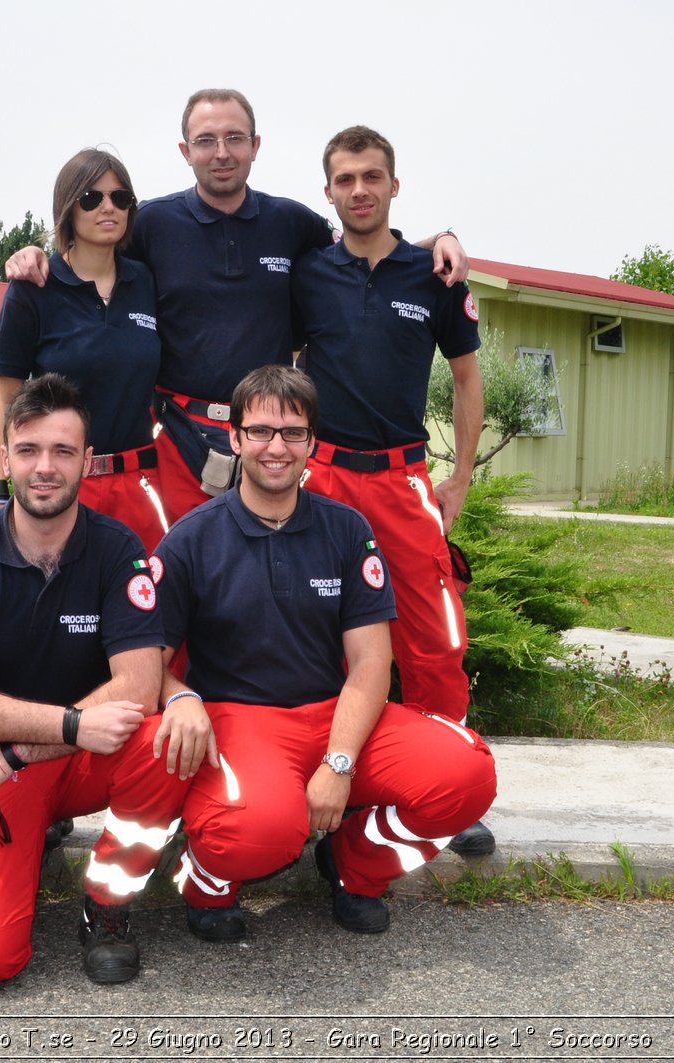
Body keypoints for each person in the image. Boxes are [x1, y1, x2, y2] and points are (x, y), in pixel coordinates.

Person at [7, 89, 469, 523]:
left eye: (234, 138)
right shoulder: (149, 222)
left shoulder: (290, 221)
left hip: (267, 441)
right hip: (175, 443)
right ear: (186, 152)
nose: (221, 152)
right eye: (205, 140)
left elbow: (363, 245)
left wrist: (438, 240)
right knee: (173, 573)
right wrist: (36, 255)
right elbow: (89, 253)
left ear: (255, 145)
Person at [150, 365, 497, 942]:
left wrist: (339, 764)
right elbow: (147, 662)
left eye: (292, 433)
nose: (276, 447)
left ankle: (353, 865)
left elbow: (369, 665)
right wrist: (180, 696)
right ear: (234, 438)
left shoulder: (346, 529)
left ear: (313, 443)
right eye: (260, 432)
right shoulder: (191, 537)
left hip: (338, 714)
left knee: (466, 777)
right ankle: (207, 878)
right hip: (243, 721)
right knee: (261, 829)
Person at [0, 374, 205, 990]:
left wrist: (19, 751)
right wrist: (63, 727)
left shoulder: (117, 548)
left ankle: (106, 904)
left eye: (63, 451)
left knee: (166, 742)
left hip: (62, 759)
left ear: (89, 462)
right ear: (5, 457)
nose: (44, 467)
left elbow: (138, 681)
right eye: (28, 450)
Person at [292, 125, 494, 856]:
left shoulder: (433, 274)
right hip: (326, 481)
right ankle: (328, 784)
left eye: (372, 176)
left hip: (405, 479)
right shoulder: (306, 272)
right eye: (345, 180)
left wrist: (460, 477)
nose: (359, 190)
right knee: (319, 640)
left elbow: (468, 380)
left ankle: (451, 781)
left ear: (394, 185)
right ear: (329, 192)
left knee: (435, 640)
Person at [0, 149, 167, 552]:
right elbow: (6, 396)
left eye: (120, 198)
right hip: (62, 486)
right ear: (68, 207)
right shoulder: (33, 289)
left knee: (142, 605)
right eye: (91, 198)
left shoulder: (147, 283)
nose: (108, 207)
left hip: (139, 485)